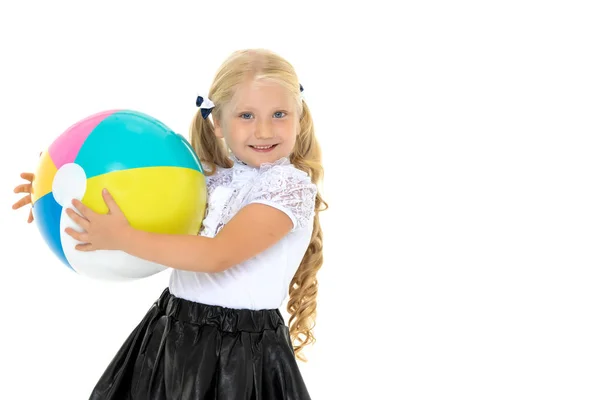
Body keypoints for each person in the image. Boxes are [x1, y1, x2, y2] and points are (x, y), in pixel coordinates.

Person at [11, 48, 327, 400]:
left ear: (299, 118)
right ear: (218, 123)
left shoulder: (289, 189)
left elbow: (217, 256)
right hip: (171, 332)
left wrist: (123, 238)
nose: (264, 130)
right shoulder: (212, 180)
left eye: (279, 114)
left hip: (237, 357)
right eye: (247, 115)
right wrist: (58, 190)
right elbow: (141, 204)